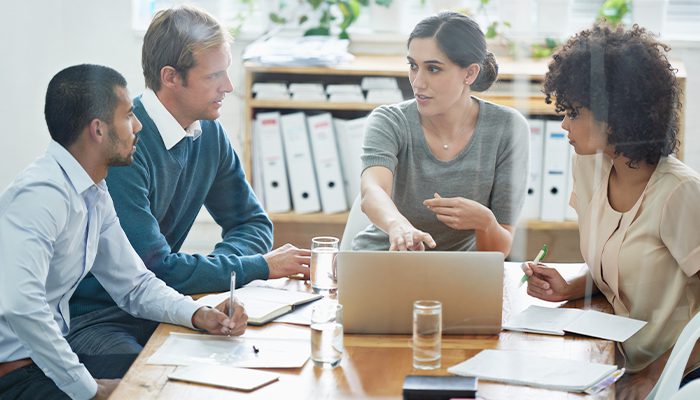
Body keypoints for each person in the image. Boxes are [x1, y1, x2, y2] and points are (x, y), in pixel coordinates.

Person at [67, 5, 309, 369]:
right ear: (170, 77)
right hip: (97, 319)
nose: (228, 86)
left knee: (249, 360)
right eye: (214, 75)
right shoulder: (122, 146)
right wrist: (254, 266)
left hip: (170, 304)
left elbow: (252, 224)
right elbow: (156, 269)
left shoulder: (208, 133)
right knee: (153, 380)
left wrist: (220, 275)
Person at [0, 64, 247, 400]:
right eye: (128, 115)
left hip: (47, 364)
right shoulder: (41, 194)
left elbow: (134, 284)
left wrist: (197, 314)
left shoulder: (93, 192)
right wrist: (90, 389)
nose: (138, 125)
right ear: (98, 130)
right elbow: (21, 307)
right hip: (17, 376)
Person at [521, 23, 700, 399]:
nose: (564, 123)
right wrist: (570, 285)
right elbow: (623, 262)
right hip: (616, 359)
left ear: (616, 115)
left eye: (574, 112)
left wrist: (655, 374)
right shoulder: (589, 167)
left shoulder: (679, 194)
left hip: (676, 373)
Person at [352, 11, 529, 253]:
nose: (417, 82)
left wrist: (485, 222)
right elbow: (373, 190)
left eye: (433, 69)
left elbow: (499, 251)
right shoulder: (389, 120)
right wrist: (399, 227)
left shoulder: (508, 129)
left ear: (470, 73)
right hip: (382, 261)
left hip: (457, 274)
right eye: (413, 66)